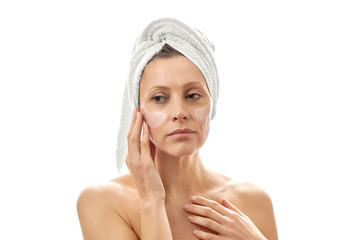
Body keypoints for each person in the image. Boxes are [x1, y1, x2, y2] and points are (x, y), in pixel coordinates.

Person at [77, 18, 278, 240]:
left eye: (193, 95)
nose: (179, 112)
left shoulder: (252, 202)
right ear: (138, 111)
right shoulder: (103, 202)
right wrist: (152, 199)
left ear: (212, 102)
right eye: (159, 98)